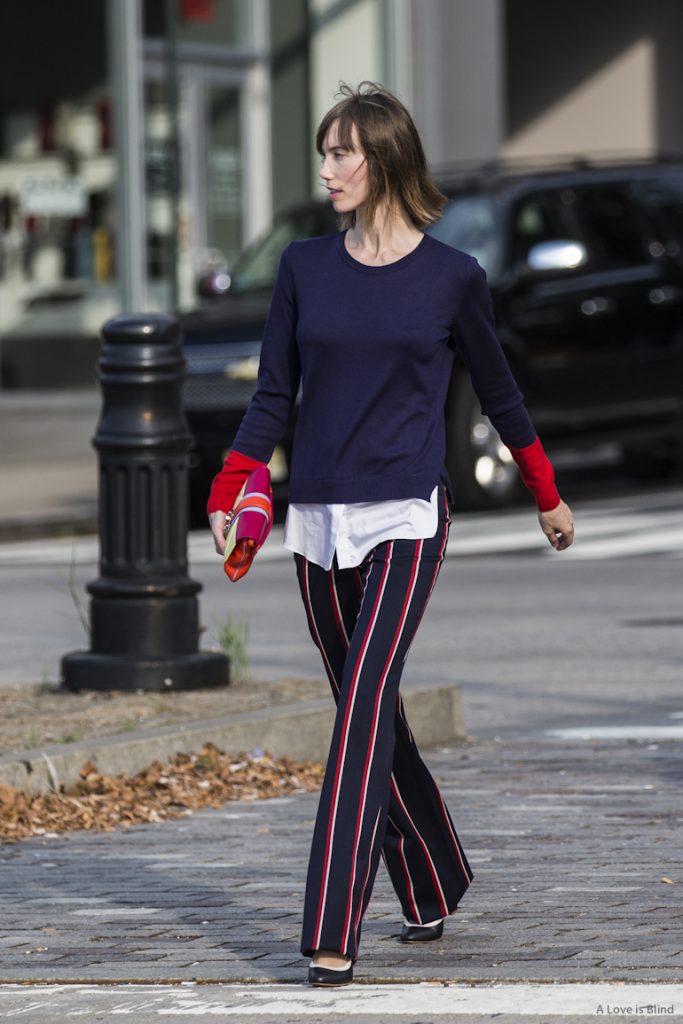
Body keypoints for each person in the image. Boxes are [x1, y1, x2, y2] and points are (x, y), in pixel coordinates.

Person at [207, 81, 574, 987]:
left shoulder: (453, 277)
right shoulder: (302, 267)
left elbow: (497, 391)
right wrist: (231, 482)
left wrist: (545, 490)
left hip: (409, 511)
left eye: (342, 152)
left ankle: (333, 927)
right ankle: (433, 875)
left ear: (386, 161)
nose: (326, 167)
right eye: (324, 151)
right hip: (318, 518)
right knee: (369, 713)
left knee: (365, 703)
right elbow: (271, 395)